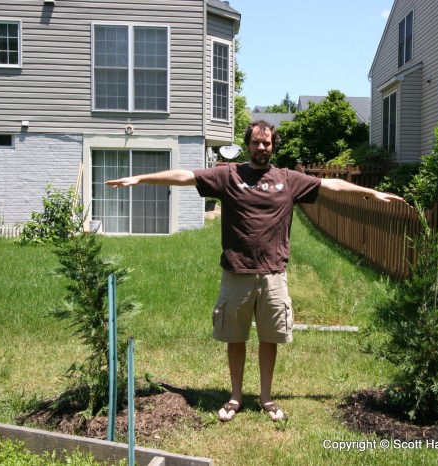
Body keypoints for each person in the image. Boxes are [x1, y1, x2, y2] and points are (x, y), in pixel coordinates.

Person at [105, 120, 403, 422]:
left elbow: (331, 185)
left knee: (269, 338)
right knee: (235, 337)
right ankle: (235, 397)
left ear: (273, 146)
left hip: (273, 274)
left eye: (267, 143)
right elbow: (185, 175)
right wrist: (141, 178)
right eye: (256, 142)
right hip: (236, 272)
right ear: (247, 144)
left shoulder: (289, 179)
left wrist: (371, 193)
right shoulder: (228, 175)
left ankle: (266, 397)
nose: (262, 147)